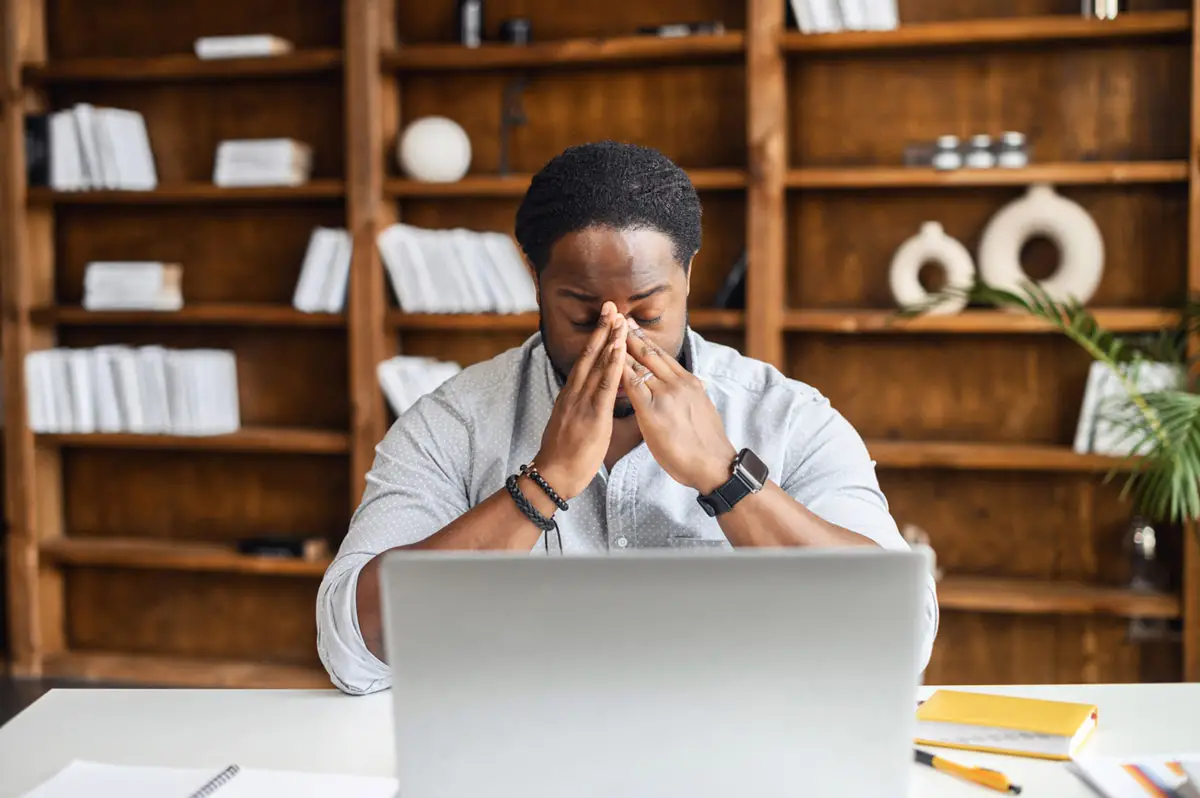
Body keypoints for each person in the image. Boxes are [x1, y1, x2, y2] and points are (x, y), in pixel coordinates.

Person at [316, 141, 939, 695]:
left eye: (646, 315)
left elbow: (900, 638)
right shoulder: (452, 423)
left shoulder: (790, 417)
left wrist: (726, 478)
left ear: (688, 278)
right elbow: (350, 646)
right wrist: (543, 483)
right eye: (585, 317)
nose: (617, 341)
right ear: (535, 281)